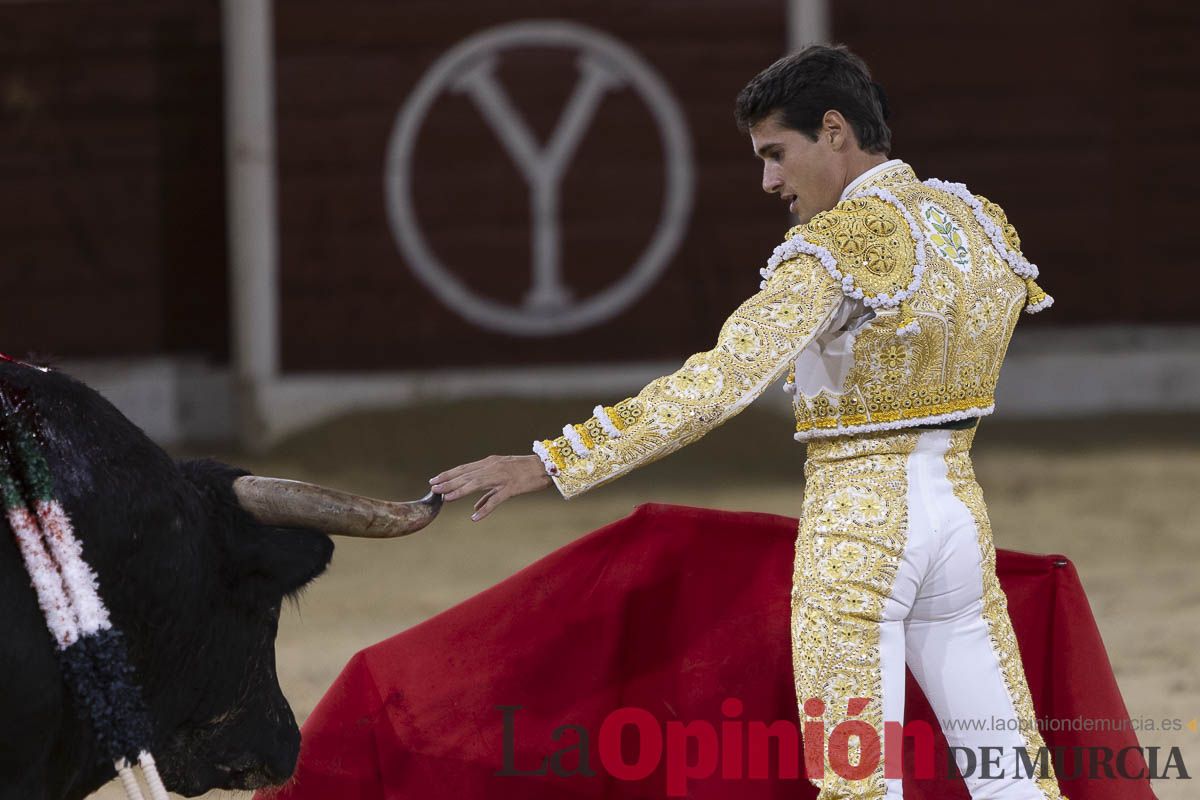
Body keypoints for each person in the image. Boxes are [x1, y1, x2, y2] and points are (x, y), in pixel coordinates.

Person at [429, 44, 1065, 799]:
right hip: (960, 520)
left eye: (775, 154)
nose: (768, 181)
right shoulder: (979, 224)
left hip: (857, 535)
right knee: (1013, 780)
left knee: (859, 784)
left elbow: (719, 383)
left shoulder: (836, 248)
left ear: (835, 131)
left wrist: (552, 460)